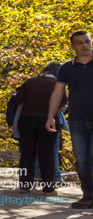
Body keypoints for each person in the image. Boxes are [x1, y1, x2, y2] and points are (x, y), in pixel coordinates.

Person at [47, 30, 93, 209]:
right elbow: (58, 92)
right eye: (79, 42)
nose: (85, 45)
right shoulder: (67, 67)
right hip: (77, 120)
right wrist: (50, 116)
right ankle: (88, 196)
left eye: (87, 41)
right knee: (82, 161)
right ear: (73, 46)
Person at [14, 62, 60, 192]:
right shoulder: (57, 84)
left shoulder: (30, 82)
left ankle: (25, 185)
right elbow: (62, 104)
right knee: (47, 153)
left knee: (27, 153)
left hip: (27, 120)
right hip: (49, 121)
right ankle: (48, 187)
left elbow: (17, 100)